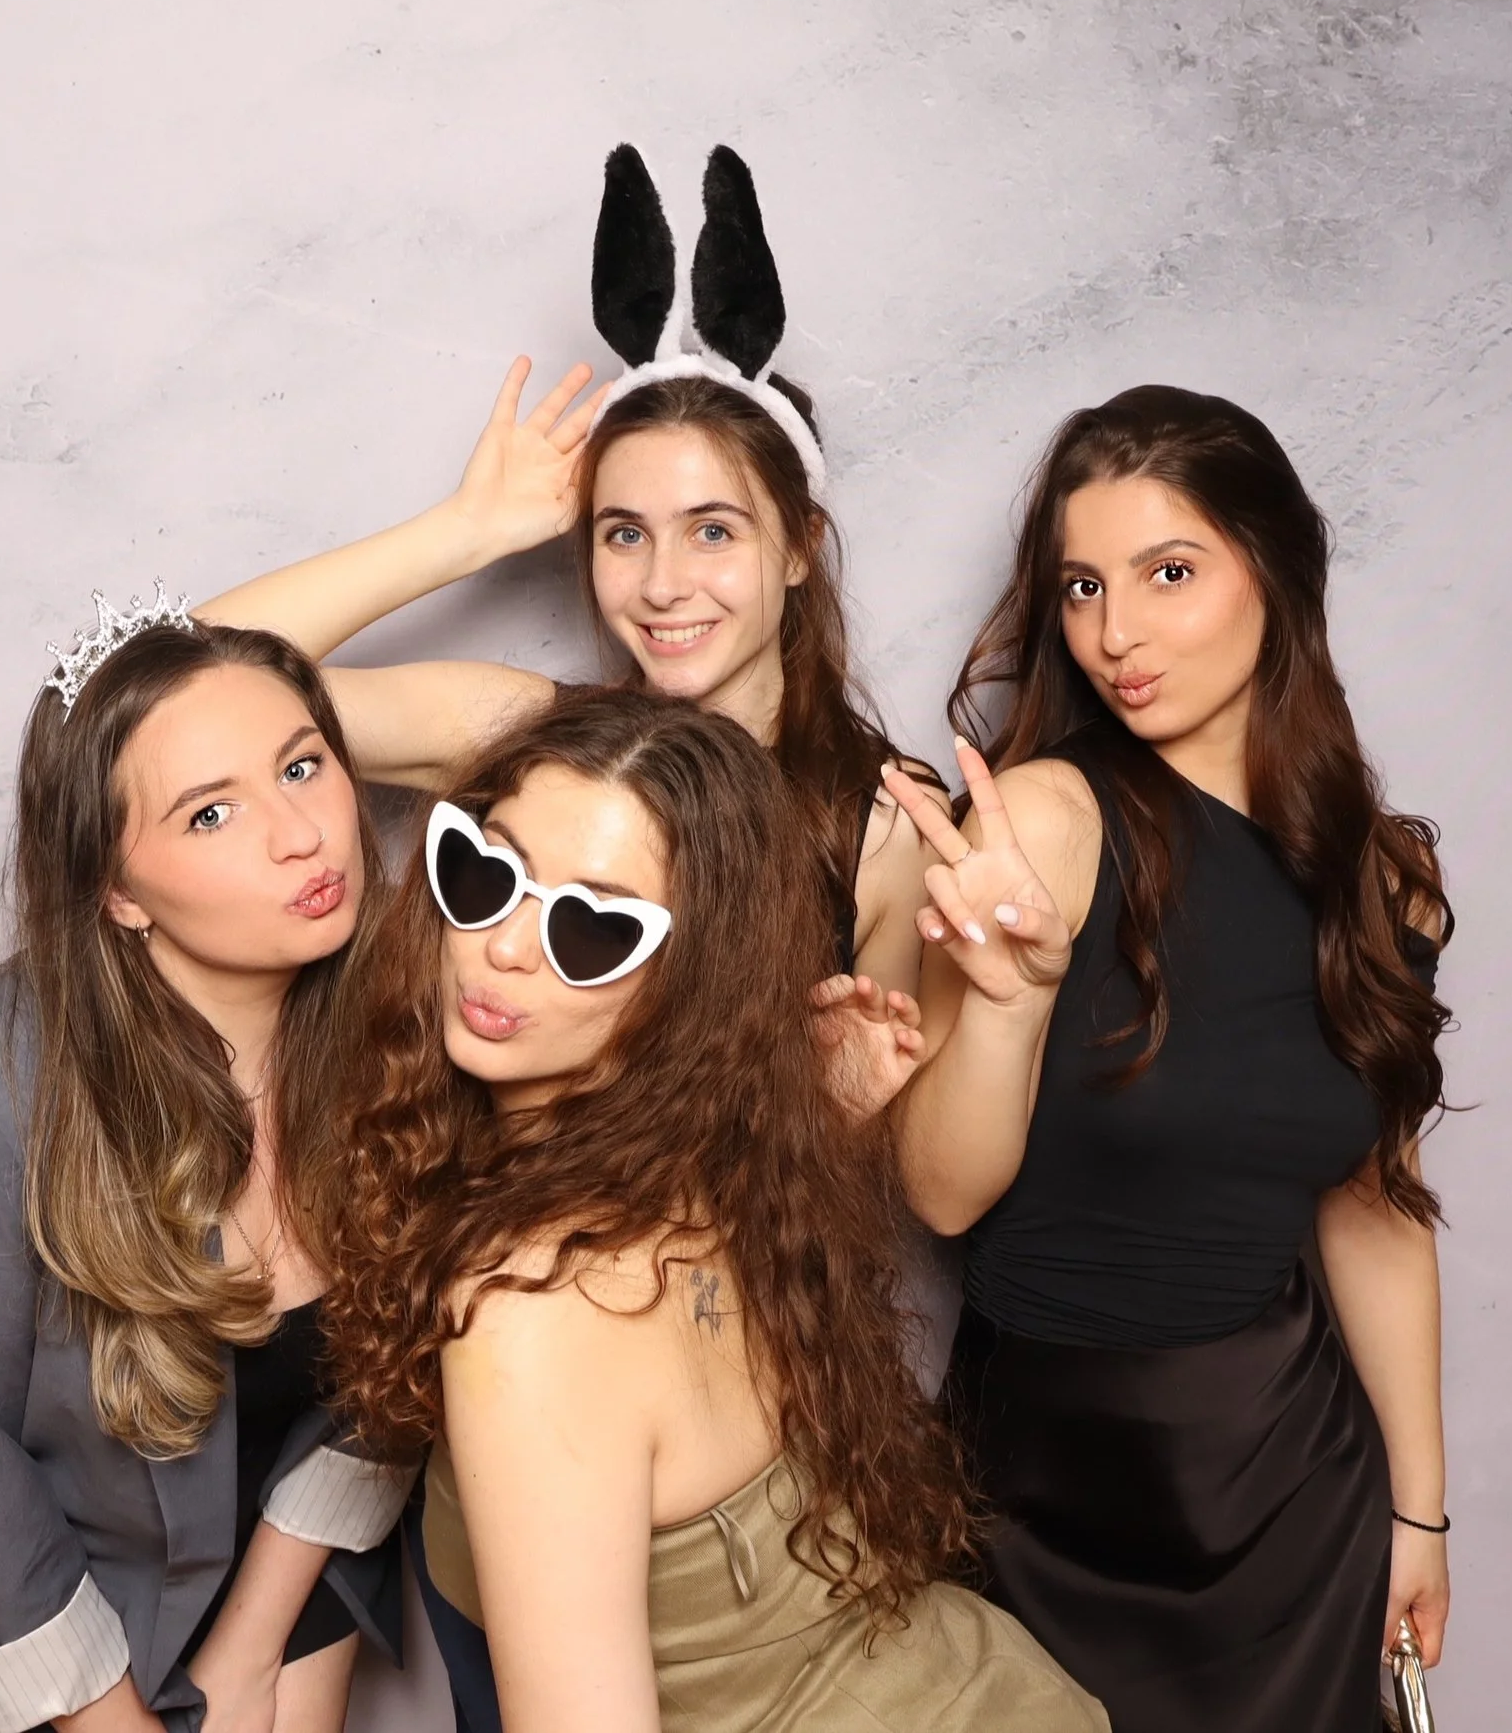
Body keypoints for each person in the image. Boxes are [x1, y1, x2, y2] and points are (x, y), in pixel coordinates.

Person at [315, 688, 1110, 1733]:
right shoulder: (732, 1169)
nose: (505, 945)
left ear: (688, 982)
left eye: (592, 927)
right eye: (485, 870)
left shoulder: (529, 1310)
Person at [882, 387, 1456, 1733]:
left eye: (1170, 572)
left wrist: (1418, 1510)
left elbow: (1377, 1204)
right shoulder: (1041, 822)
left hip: (1290, 1487)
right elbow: (943, 1198)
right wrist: (1012, 1001)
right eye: (1080, 585)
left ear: (1278, 572)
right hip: (1047, 1498)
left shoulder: (1386, 883)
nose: (1113, 633)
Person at [195, 146, 940, 1110]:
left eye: (712, 530)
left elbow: (864, 1169)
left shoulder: (880, 820)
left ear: (800, 545)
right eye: (623, 533)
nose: (664, 584)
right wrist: (458, 535)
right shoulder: (530, 742)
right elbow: (173, 694)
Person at [0, 602, 413, 1733]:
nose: (300, 834)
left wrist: (258, 1643)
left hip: (306, 1580)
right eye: (210, 812)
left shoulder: (407, 1028)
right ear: (117, 890)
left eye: (304, 765)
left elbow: (388, 1380)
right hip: (82, 1651)